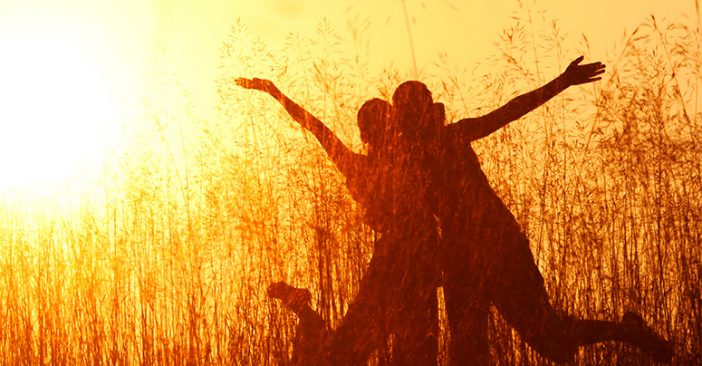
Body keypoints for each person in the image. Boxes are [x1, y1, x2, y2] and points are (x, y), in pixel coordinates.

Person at [390, 56, 672, 364]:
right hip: (460, 260)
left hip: (500, 245)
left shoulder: (454, 136)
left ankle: (627, 331)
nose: (415, 116)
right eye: (408, 111)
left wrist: (562, 82)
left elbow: (509, 111)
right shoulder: (407, 162)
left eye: (418, 107)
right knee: (468, 352)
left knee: (548, 337)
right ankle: (628, 330)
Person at [236, 78, 440, 365]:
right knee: (392, 352)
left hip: (401, 265)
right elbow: (317, 128)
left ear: (365, 135)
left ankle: (304, 312)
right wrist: (275, 93)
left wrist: (276, 93)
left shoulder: (372, 165)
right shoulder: (410, 159)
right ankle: (305, 313)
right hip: (408, 266)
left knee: (352, 350)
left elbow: (317, 128)